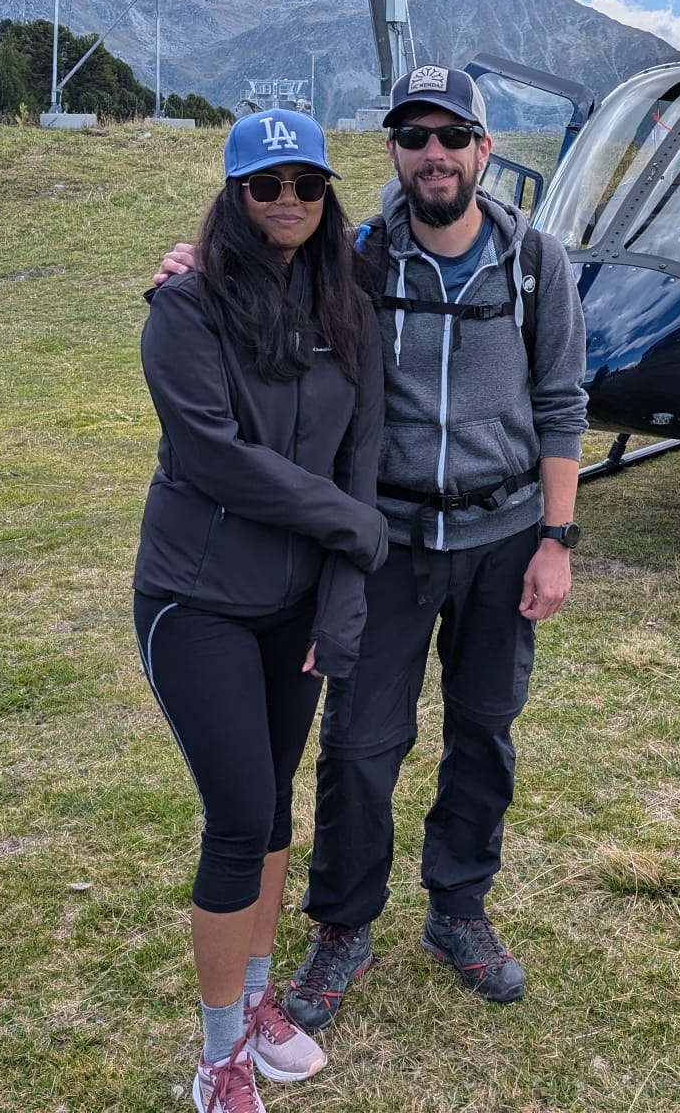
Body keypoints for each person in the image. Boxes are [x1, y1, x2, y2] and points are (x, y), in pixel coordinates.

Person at [154, 64, 589, 1028]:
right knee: (358, 744)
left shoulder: (536, 264)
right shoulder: (355, 256)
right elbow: (262, 267)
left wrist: (556, 537)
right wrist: (193, 263)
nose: (433, 153)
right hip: (384, 537)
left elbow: (563, 404)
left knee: (483, 729)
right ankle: (343, 924)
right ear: (393, 153)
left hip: (503, 534)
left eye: (451, 135)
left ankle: (459, 910)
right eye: (413, 135)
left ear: (483, 149)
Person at [134, 108, 390, 1113]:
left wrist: (342, 591)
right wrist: (356, 529)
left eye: (308, 185)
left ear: (328, 197)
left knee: (275, 807)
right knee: (239, 819)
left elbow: (358, 446)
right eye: (265, 185)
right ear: (234, 196)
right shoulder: (186, 305)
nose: (288, 202)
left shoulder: (344, 296)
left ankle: (254, 1005)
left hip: (295, 604)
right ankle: (217, 1056)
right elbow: (210, 456)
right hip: (195, 601)